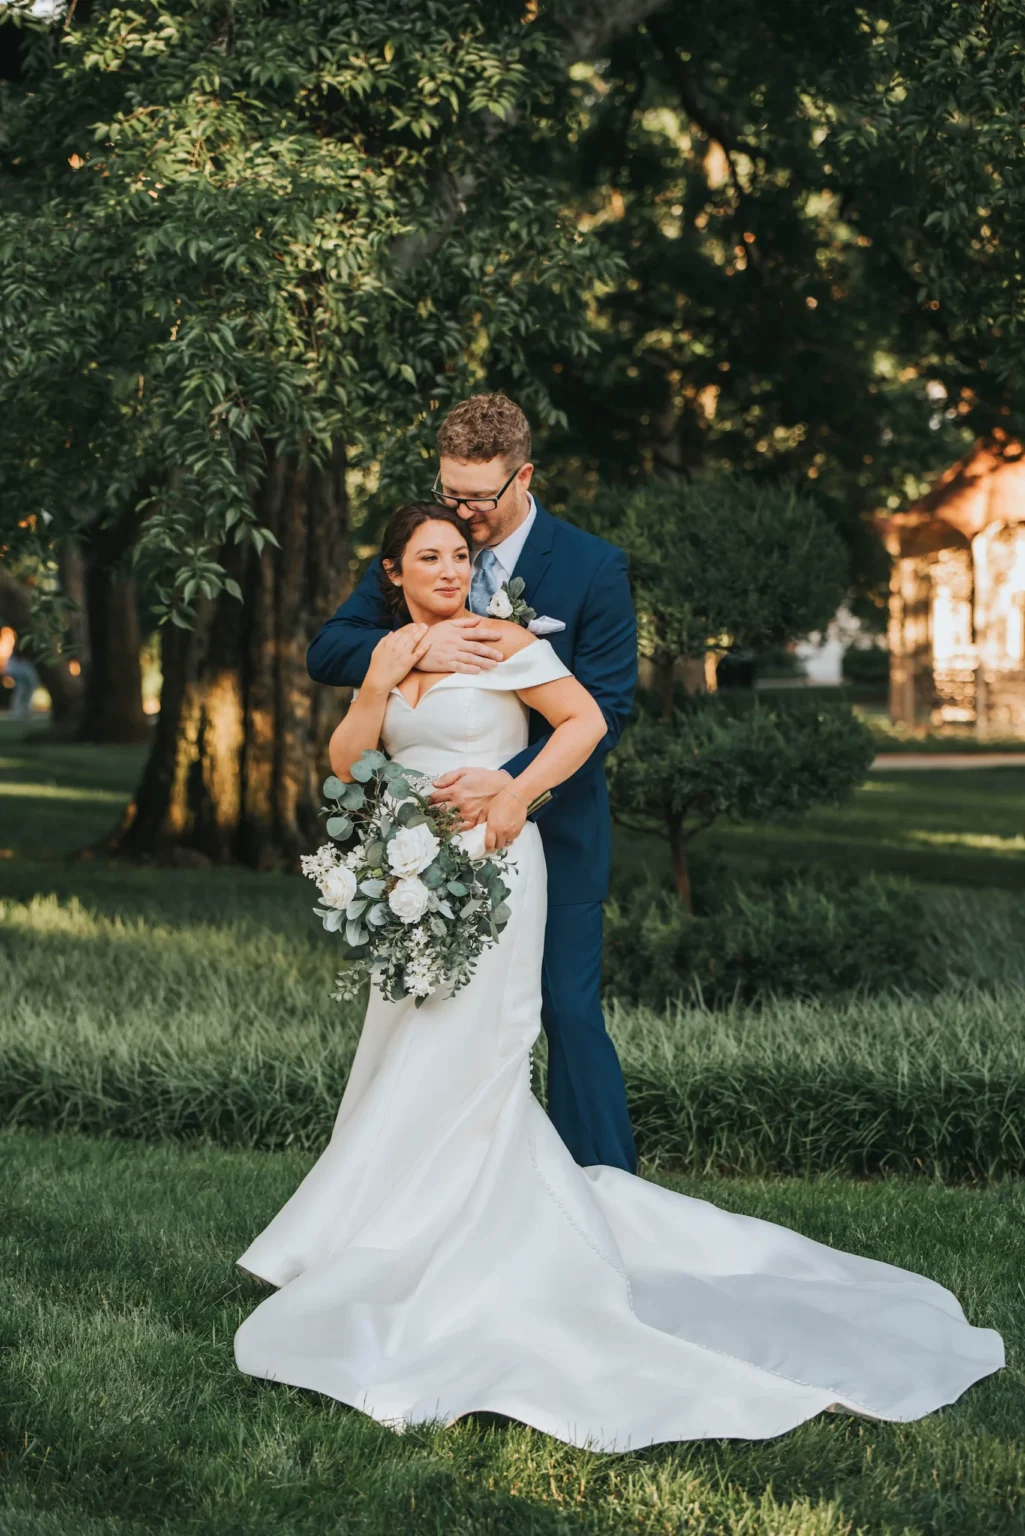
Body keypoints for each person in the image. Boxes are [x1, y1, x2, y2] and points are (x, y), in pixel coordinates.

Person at [233, 503, 1003, 1452]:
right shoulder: (383, 653)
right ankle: (371, 1230)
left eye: (460, 554)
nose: (447, 567)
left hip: (498, 864)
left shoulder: (502, 640)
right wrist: (374, 687)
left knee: (479, 1052)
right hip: (411, 875)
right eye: (427, 556)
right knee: (402, 1048)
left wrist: (515, 791)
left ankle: (472, 1239)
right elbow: (348, 767)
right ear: (391, 572)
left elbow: (588, 720)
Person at [306, 394, 638, 1174]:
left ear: (521, 476)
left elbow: (605, 713)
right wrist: (423, 651)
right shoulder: (427, 548)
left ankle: (602, 1187)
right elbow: (332, 649)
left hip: (551, 823)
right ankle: (430, 1183)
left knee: (563, 1008)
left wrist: (507, 787)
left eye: (476, 499)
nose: (462, 516)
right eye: (450, 492)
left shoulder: (591, 567)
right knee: (430, 1015)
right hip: (428, 841)